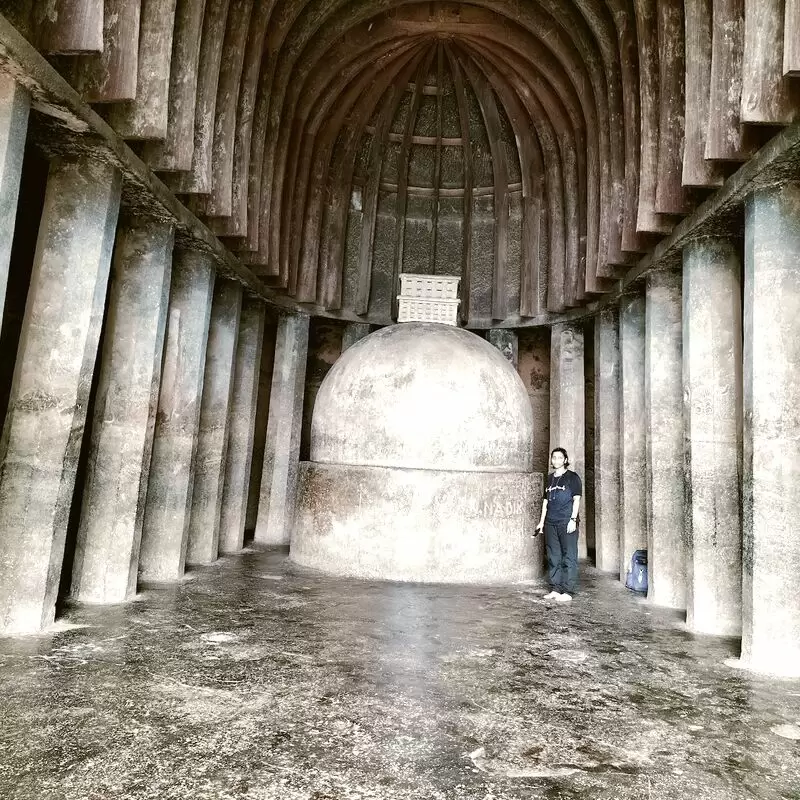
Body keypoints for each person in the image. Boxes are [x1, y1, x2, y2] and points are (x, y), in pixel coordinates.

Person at [534, 447, 582, 602]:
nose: (556, 460)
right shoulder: (549, 478)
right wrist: (541, 522)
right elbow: (545, 502)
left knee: (569, 556)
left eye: (560, 458)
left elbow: (576, 499)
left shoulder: (572, 477)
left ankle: (568, 591)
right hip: (550, 523)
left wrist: (573, 520)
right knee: (554, 557)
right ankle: (556, 589)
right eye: (554, 457)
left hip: (566, 522)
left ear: (565, 460)